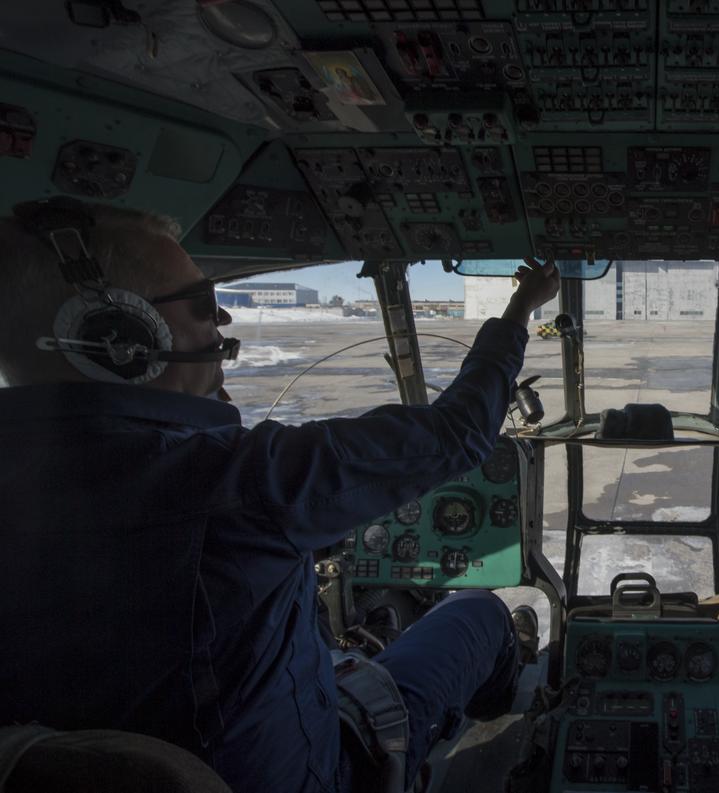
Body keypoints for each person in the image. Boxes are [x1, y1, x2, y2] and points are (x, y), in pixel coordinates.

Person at [0, 198, 560, 793]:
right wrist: (521, 307)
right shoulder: (237, 480)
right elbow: (459, 431)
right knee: (479, 613)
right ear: (120, 336)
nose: (223, 326)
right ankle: (501, 726)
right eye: (201, 308)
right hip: (310, 776)